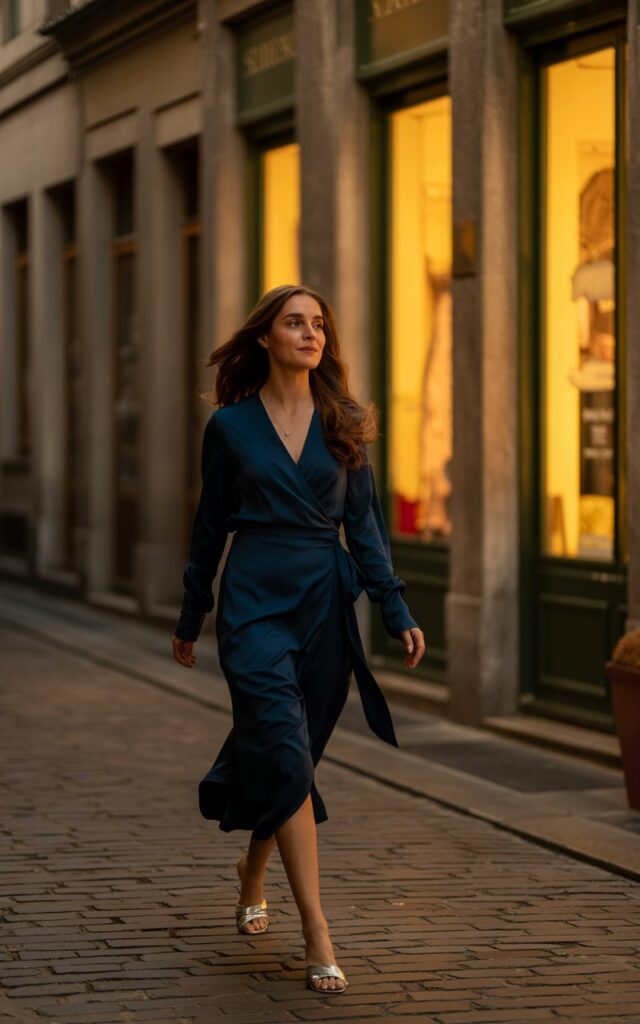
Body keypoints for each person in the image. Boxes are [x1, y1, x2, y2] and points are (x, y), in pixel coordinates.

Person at [171, 284, 426, 994]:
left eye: (319, 324)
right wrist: (193, 616)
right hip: (252, 601)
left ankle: (253, 867)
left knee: (291, 755)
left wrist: (396, 608)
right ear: (266, 338)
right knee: (282, 747)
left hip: (322, 605)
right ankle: (318, 927)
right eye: (294, 323)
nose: (310, 334)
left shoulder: (343, 421)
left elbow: (366, 527)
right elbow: (209, 525)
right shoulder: (229, 427)